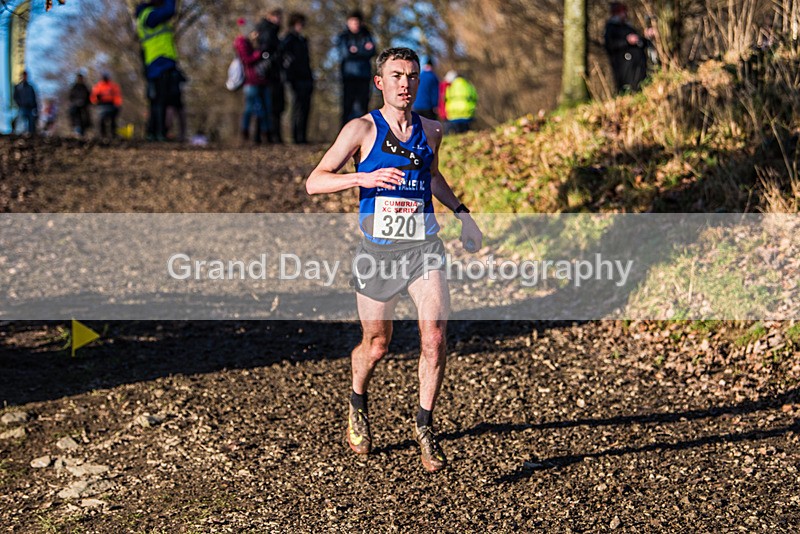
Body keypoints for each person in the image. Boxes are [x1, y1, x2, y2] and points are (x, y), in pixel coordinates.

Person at [306, 47, 483, 473]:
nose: (405, 83)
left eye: (412, 76)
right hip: (378, 254)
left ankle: (425, 427)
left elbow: (433, 176)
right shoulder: (361, 129)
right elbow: (315, 182)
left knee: (435, 338)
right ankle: (357, 401)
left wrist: (463, 214)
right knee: (377, 345)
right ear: (380, 82)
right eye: (396, 75)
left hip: (423, 250)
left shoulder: (432, 130)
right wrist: (362, 177)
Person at [136, 0, 184, 141]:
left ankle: (155, 132)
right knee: (161, 100)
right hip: (159, 62)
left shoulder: (145, 15)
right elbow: (170, 10)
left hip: (159, 63)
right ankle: (159, 133)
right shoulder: (148, 15)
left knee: (157, 100)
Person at [336, 10, 376, 126]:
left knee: (362, 105)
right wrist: (363, 50)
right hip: (349, 76)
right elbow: (345, 54)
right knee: (347, 105)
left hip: (364, 75)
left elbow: (373, 51)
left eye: (357, 22)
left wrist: (356, 50)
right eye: (353, 22)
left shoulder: (367, 35)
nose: (355, 24)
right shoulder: (344, 37)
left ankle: (362, 133)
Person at [235, 23, 271, 144]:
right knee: (251, 108)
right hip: (251, 81)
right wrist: (258, 53)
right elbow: (247, 59)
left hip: (260, 80)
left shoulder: (254, 43)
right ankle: (247, 132)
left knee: (263, 108)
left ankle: (264, 133)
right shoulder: (241, 42)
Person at [604, 2, 650, 94]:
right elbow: (610, 45)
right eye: (622, 12)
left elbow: (641, 42)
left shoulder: (628, 27)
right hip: (624, 66)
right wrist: (627, 41)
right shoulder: (611, 28)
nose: (625, 14)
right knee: (628, 88)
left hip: (638, 64)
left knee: (640, 86)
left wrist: (645, 37)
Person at [282, 12, 314, 144]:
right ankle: (296, 136)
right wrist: (289, 77)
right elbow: (285, 60)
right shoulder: (288, 40)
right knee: (297, 108)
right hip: (295, 79)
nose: (301, 26)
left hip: (306, 77)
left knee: (306, 107)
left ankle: (302, 136)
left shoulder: (303, 40)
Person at [256, 7, 284, 143]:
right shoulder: (269, 31)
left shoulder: (267, 31)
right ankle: (270, 135)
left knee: (267, 105)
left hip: (270, 73)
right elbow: (266, 51)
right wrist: (274, 59)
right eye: (277, 17)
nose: (279, 20)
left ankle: (265, 135)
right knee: (271, 105)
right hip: (270, 74)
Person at [90, 73, 123, 138]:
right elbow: (93, 97)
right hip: (102, 105)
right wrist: (96, 100)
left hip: (112, 105)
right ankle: (103, 135)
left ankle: (113, 135)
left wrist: (117, 104)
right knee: (101, 121)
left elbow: (117, 96)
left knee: (113, 121)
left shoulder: (113, 86)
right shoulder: (98, 86)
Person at [12, 71, 37, 135]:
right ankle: (20, 134)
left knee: (31, 123)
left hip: (30, 107)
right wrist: (20, 103)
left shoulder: (30, 87)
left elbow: (34, 98)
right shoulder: (18, 87)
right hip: (22, 107)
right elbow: (15, 97)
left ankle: (30, 135)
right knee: (21, 121)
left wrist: (35, 107)